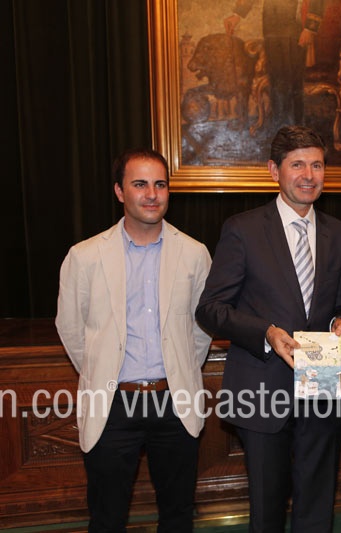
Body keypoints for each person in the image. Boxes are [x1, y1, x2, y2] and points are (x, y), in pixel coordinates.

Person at [195, 125, 341, 532]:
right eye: (297, 164)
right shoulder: (243, 229)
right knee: (267, 511)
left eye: (317, 165)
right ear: (274, 170)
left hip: (323, 389)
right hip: (262, 388)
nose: (309, 175)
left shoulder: (339, 234)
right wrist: (266, 332)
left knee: (316, 509)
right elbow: (210, 309)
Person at [55, 148, 213, 532]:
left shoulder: (195, 254)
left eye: (160, 184)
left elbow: (201, 330)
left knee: (178, 515)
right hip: (111, 404)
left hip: (174, 403)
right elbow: (71, 328)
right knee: (107, 518)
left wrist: (178, 372)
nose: (152, 194)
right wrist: (103, 370)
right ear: (119, 191)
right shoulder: (84, 256)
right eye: (140, 184)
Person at [225, 0, 324, 129]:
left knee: (293, 85)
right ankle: (279, 129)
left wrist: (310, 28)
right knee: (276, 83)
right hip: (271, 28)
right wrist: (237, 14)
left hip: (295, 28)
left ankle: (296, 130)